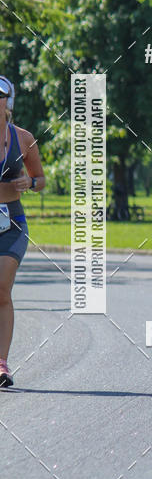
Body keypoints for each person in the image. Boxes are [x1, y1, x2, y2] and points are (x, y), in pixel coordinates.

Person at [0, 76, 46, 387]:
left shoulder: (24, 138)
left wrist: (29, 183)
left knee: (2, 289)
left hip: (12, 223)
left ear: (9, 101)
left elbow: (40, 179)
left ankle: (1, 364)